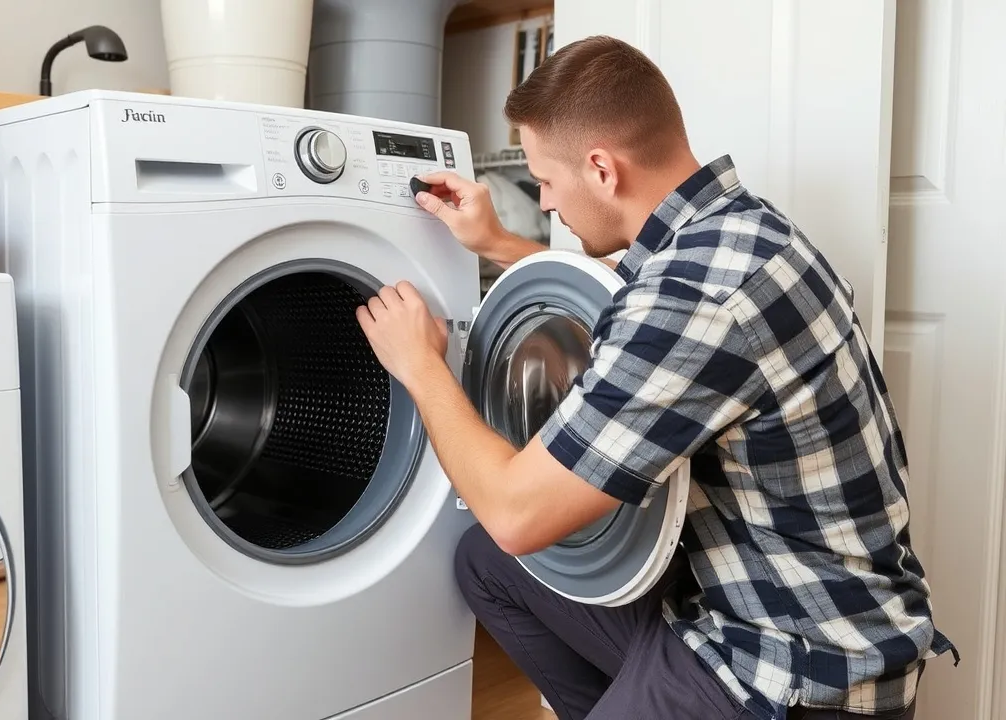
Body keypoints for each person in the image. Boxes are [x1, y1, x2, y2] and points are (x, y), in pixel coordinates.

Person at [353, 35, 957, 720]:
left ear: (603, 170)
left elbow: (518, 513)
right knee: (486, 564)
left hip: (794, 668)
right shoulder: (744, 233)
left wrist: (419, 365)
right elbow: (640, 310)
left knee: (504, 536)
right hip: (763, 605)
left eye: (545, 181)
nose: (546, 203)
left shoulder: (693, 298)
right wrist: (499, 244)